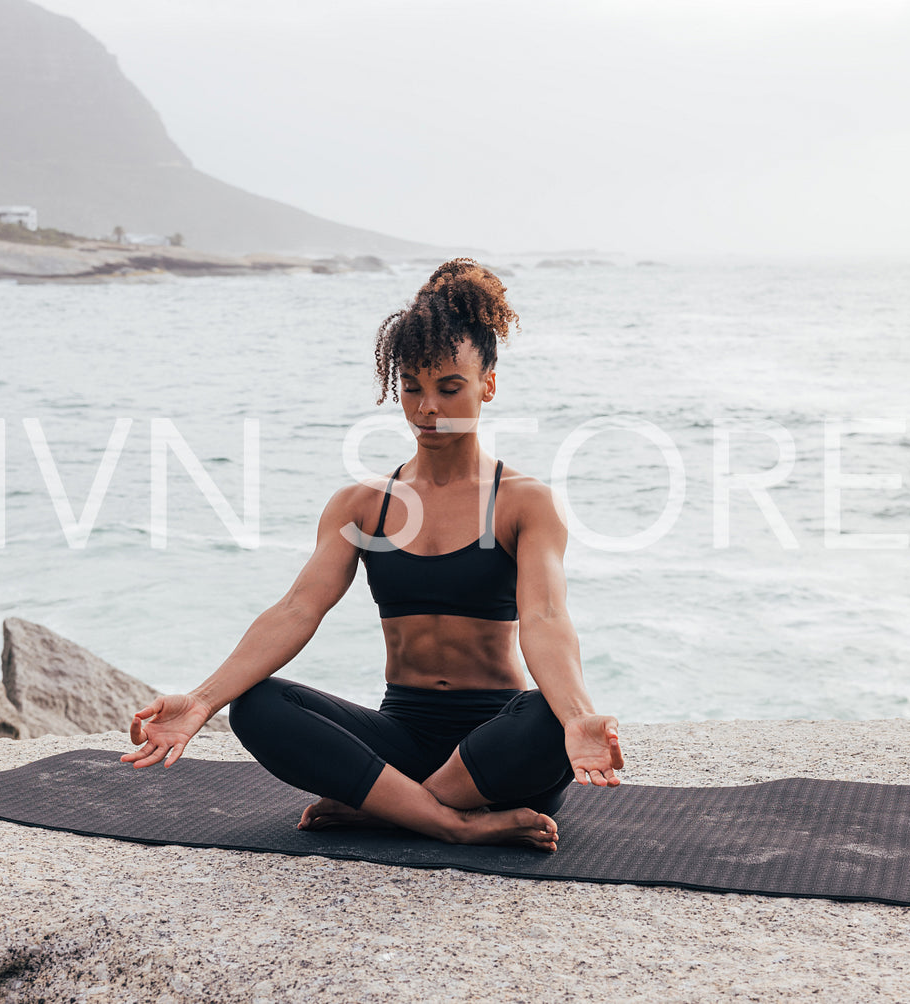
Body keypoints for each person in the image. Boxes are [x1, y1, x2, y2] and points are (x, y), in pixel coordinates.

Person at [121, 258, 623, 852]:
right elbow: (296, 610)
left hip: (496, 746)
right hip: (399, 735)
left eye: (449, 387)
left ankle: (389, 807)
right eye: (411, 387)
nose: (427, 409)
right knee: (255, 706)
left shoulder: (523, 503)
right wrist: (202, 702)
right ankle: (448, 820)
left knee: (546, 717)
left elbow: (545, 619)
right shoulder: (364, 506)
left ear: (489, 383)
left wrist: (577, 715)